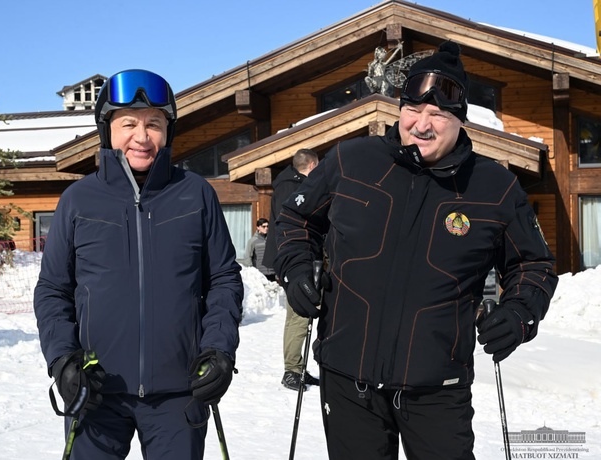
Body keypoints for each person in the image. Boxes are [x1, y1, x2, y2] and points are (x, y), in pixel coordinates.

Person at [274, 41, 558, 459]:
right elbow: (295, 221)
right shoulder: (352, 161)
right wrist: (297, 268)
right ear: (399, 110)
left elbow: (534, 264)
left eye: (438, 114)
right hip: (347, 376)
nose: (422, 124)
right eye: (413, 110)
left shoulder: (494, 187)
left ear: (460, 121)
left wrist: (520, 312)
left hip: (438, 388)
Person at [34, 69, 244, 460]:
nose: (142, 137)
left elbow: (224, 280)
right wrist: (62, 359)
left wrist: (219, 350)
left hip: (179, 394)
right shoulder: (79, 200)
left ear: (169, 130)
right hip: (95, 389)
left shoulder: (195, 194)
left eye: (154, 124)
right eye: (129, 123)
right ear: (107, 129)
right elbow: (53, 289)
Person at [262, 148, 320, 391]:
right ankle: (292, 371)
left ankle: (298, 367)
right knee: (299, 313)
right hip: (292, 259)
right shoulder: (291, 187)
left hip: (294, 257)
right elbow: (289, 224)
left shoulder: (290, 183)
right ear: (311, 165)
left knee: (301, 313)